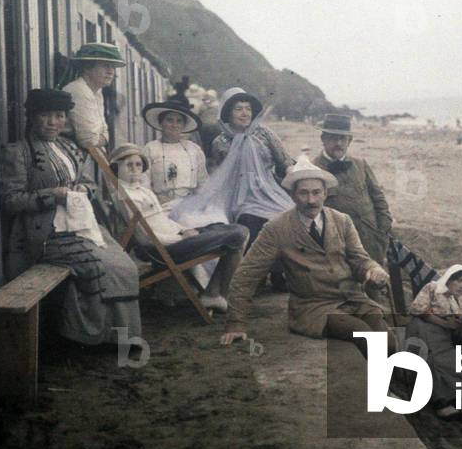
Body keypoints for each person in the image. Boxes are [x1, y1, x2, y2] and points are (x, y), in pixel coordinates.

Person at [0, 88, 141, 346]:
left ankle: (117, 334)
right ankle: (87, 335)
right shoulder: (19, 152)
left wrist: (84, 189)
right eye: (47, 116)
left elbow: (87, 181)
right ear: (32, 117)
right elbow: (11, 200)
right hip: (45, 233)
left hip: (80, 224)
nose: (54, 122)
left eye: (60, 116)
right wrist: (52, 194)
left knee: (123, 264)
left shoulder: (68, 146)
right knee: (101, 267)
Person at [219, 155, 394, 355]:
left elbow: (359, 259)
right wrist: (236, 323)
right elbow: (246, 275)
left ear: (325, 193)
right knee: (363, 333)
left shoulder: (341, 220)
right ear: (292, 195)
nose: (311, 200)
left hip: (353, 300)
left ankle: (402, 384)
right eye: (303, 193)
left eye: (316, 193)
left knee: (387, 337)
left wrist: (373, 269)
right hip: (313, 309)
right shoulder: (276, 229)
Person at [107, 143, 246, 312]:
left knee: (227, 229)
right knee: (238, 234)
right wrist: (180, 237)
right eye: (129, 165)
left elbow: (161, 221)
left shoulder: (142, 191)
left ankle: (214, 293)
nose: (135, 169)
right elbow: (145, 236)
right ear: (116, 169)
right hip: (163, 249)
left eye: (138, 165)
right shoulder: (126, 196)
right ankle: (215, 294)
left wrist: (182, 230)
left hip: (174, 239)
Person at [208, 87, 295, 290]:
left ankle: (279, 272)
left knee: (287, 215)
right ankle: (256, 275)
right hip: (238, 194)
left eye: (247, 108)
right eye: (238, 109)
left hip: (268, 188)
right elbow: (220, 175)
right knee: (250, 219)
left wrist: (294, 176)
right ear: (228, 112)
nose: (245, 113)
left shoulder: (264, 132)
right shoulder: (220, 142)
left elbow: (285, 161)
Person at [311, 114, 393, 299]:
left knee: (374, 292)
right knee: (345, 294)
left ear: (350, 140)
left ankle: (373, 326)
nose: (338, 143)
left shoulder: (361, 164)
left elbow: (378, 198)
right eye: (332, 138)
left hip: (370, 240)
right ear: (323, 139)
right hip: (337, 244)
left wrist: (382, 230)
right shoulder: (313, 169)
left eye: (343, 138)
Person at [406, 265, 462, 422]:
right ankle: (441, 404)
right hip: (422, 327)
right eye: (459, 280)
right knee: (435, 357)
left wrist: (461, 322)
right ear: (450, 278)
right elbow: (417, 309)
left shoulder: (457, 303)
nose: (461, 286)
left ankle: (459, 405)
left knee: (455, 362)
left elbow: (454, 326)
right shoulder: (433, 287)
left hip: (442, 335)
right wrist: (446, 324)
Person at [141, 83, 208, 210]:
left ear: (184, 125)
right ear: (161, 123)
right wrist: (156, 200)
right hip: (160, 205)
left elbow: (203, 184)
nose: (174, 125)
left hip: (189, 205)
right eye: (169, 120)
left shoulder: (194, 150)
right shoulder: (150, 149)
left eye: (179, 121)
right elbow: (144, 183)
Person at [57, 43, 126, 151]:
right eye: (105, 65)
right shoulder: (79, 91)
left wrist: (102, 137)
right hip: (67, 150)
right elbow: (89, 142)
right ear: (87, 67)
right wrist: (103, 137)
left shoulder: (97, 92)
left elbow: (105, 131)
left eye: (113, 66)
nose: (111, 71)